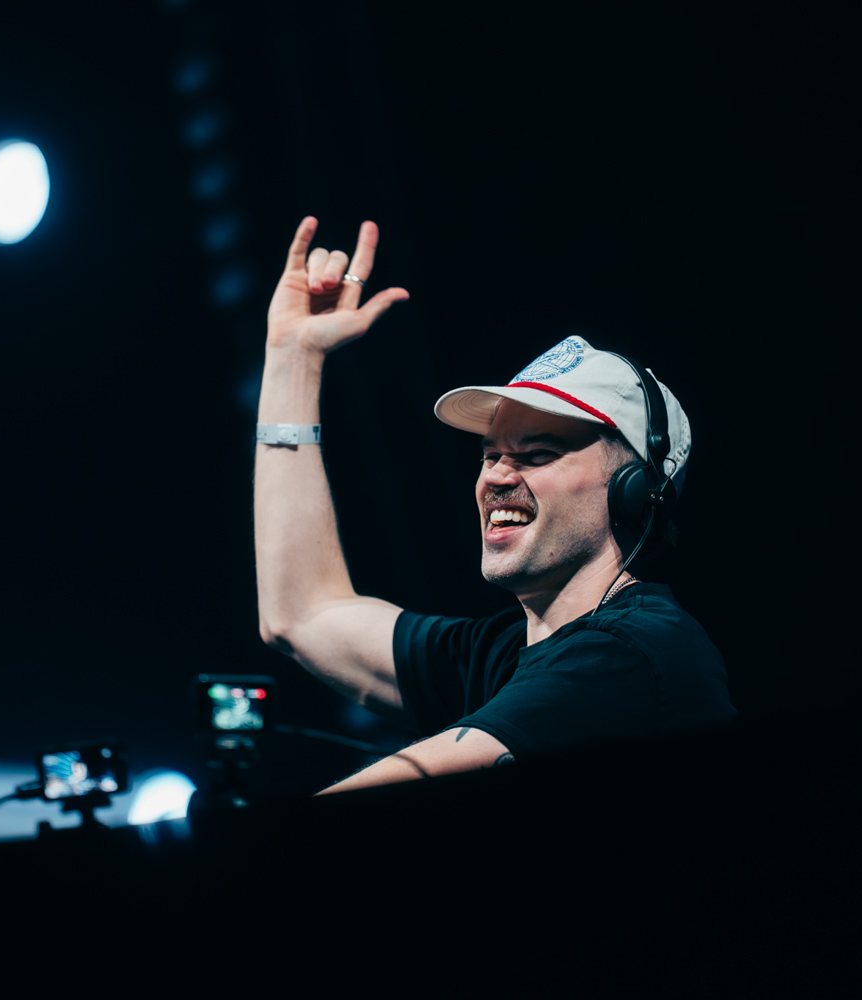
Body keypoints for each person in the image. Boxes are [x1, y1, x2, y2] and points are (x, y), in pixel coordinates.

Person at [254, 217, 735, 794]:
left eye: (537, 453)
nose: (497, 476)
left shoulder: (636, 654)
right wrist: (293, 357)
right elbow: (302, 613)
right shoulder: (503, 654)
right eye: (490, 454)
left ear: (634, 489)